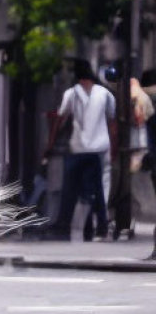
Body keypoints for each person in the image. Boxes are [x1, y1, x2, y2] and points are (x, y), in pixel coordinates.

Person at [43, 59, 116, 240]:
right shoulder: (105, 94)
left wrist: (50, 145)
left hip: (77, 148)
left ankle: (64, 227)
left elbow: (60, 120)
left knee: (70, 189)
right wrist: (113, 146)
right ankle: (100, 227)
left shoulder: (71, 93)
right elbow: (112, 121)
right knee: (97, 190)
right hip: (98, 148)